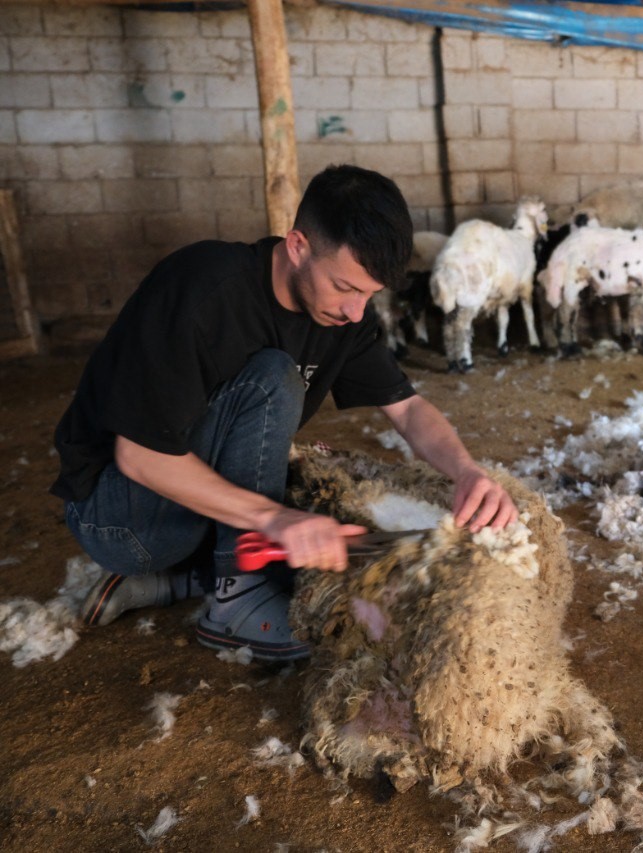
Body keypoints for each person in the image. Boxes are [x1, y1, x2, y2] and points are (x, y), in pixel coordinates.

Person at [53, 164, 516, 661]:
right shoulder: (202, 290)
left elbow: (408, 409)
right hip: (117, 516)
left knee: (313, 510)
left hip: (185, 510)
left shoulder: (343, 315)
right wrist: (276, 519)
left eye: (370, 295)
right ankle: (235, 599)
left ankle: (171, 581)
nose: (356, 311)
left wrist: (467, 471)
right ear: (297, 246)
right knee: (275, 376)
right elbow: (141, 457)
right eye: (345, 287)